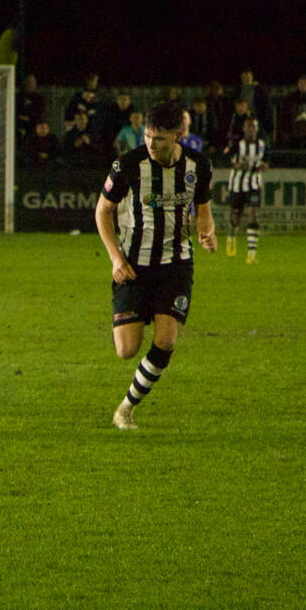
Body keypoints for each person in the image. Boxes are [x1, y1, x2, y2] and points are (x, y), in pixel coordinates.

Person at [94, 99, 216, 430]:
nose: (150, 144)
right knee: (126, 349)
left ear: (178, 135)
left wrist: (207, 231)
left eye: (158, 138)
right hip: (133, 264)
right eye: (147, 136)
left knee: (166, 340)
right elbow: (102, 211)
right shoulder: (127, 166)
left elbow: (202, 208)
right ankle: (141, 308)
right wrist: (115, 258)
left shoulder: (198, 165)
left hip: (175, 264)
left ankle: (125, 408)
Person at [225, 116, 268, 263]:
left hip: (254, 183)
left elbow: (266, 162)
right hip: (237, 183)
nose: (251, 130)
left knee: (253, 214)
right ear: (244, 129)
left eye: (254, 127)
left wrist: (264, 166)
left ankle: (251, 254)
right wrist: (238, 165)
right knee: (236, 213)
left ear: (257, 129)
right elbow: (228, 160)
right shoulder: (237, 144)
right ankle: (231, 234)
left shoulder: (263, 144)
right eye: (249, 127)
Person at [278, 75, 306, 151]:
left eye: (305, 83)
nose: (303, 85)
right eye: (301, 83)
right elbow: (286, 116)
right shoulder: (292, 98)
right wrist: (286, 132)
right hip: (294, 133)